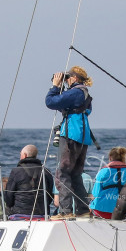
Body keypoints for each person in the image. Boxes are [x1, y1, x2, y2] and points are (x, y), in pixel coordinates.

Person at [45, 66, 94, 217]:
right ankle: (83, 210)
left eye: (68, 78)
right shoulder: (84, 94)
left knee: (63, 172)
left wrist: (55, 86)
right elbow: (68, 107)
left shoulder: (76, 92)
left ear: (74, 78)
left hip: (72, 135)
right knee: (75, 173)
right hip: (83, 136)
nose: (66, 80)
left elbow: (50, 102)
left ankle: (65, 211)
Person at [3, 145, 53, 217]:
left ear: (25, 155)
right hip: (42, 213)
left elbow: (8, 197)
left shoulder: (16, 171)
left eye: (20, 154)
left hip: (19, 213)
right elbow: (50, 195)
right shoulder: (46, 171)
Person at [90, 146, 126, 219]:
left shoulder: (103, 172)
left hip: (102, 212)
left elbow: (95, 194)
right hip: (121, 212)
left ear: (110, 157)